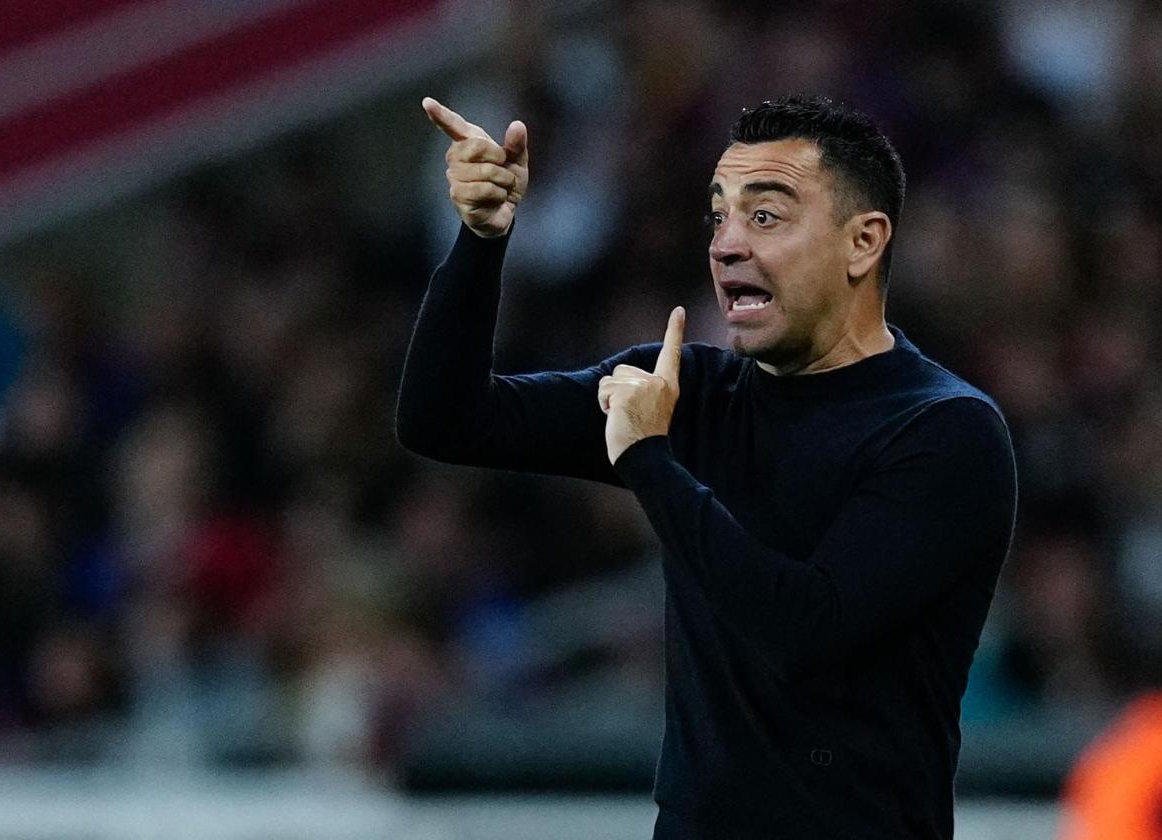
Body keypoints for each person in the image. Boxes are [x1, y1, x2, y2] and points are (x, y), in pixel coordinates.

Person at [397, 93, 1017, 839]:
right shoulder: (690, 392)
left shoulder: (946, 431)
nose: (725, 245)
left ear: (864, 242)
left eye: (765, 216)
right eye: (718, 216)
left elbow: (804, 631)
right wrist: (479, 241)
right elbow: (445, 419)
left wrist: (650, 460)